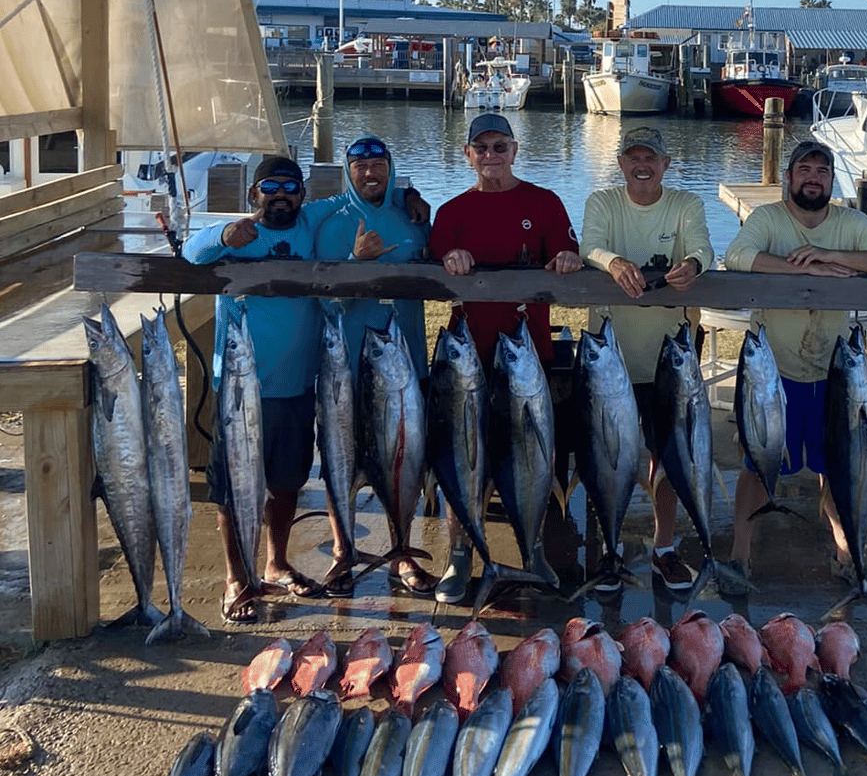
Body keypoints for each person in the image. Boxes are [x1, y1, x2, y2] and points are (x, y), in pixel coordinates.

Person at [723, 139, 867, 589]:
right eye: (803, 169)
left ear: (831, 179)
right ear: (788, 178)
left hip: (835, 370)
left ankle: (845, 548)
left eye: (821, 171)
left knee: (836, 464)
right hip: (773, 371)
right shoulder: (767, 218)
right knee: (756, 463)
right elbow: (736, 257)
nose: (813, 177)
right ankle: (739, 554)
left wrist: (831, 256)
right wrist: (803, 271)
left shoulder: (851, 222)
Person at [429, 112, 582, 602]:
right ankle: (459, 553)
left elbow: (567, 252)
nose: (491, 156)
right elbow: (435, 259)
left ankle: (532, 548)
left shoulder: (545, 202)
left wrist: (567, 259)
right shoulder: (451, 211)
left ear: (515, 151)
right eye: (482, 147)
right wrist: (449, 259)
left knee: (532, 456)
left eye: (500, 146)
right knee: (461, 455)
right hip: (465, 360)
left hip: (525, 360)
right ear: (468, 154)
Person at [182, 155, 328, 623]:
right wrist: (223, 237)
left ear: (302, 194)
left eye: (290, 187)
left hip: (298, 384)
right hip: (239, 393)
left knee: (287, 482)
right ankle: (236, 577)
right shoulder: (235, 233)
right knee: (232, 489)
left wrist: (410, 201)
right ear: (254, 194)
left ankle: (276, 562)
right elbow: (189, 252)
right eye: (270, 187)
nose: (281, 195)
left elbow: (356, 205)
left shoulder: (313, 227)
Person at [581, 125, 714, 591]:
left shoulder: (687, 204)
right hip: (609, 359)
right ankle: (610, 548)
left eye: (650, 158)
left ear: (665, 164)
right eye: (633, 157)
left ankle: (664, 547)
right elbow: (588, 245)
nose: (642, 165)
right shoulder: (602, 202)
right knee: (606, 454)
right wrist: (613, 263)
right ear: (620, 163)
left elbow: (703, 247)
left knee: (670, 456)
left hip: (671, 359)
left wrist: (693, 266)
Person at [313, 134, 434, 593]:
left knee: (403, 454)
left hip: (405, 365)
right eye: (360, 166)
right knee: (340, 459)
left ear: (390, 167)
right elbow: (325, 300)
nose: (370, 173)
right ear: (348, 170)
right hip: (346, 370)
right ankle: (344, 550)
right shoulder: (331, 223)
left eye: (378, 164)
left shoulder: (414, 217)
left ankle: (401, 551)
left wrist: (412, 197)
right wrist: (354, 263)